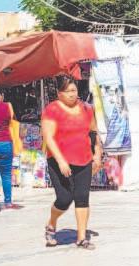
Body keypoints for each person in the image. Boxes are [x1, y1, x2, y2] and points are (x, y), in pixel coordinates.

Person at [41, 74, 103, 250]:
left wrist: (97, 153)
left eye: (74, 90)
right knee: (64, 198)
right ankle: (52, 223)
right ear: (59, 93)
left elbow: (93, 132)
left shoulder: (86, 109)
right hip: (58, 161)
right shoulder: (52, 110)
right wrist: (61, 161)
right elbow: (48, 137)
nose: (72, 94)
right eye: (67, 91)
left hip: (84, 159)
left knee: (82, 197)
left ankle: (82, 238)